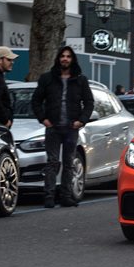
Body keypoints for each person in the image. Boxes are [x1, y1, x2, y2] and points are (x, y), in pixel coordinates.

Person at [31, 46, 94, 208]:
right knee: (52, 162)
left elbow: (89, 103)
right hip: (53, 127)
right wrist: (43, 119)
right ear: (58, 58)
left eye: (68, 56)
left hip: (71, 128)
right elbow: (36, 100)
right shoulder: (48, 78)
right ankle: (49, 197)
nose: (65, 59)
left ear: (73, 60)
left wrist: (81, 120)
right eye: (62, 56)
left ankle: (66, 196)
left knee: (68, 163)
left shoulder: (80, 80)